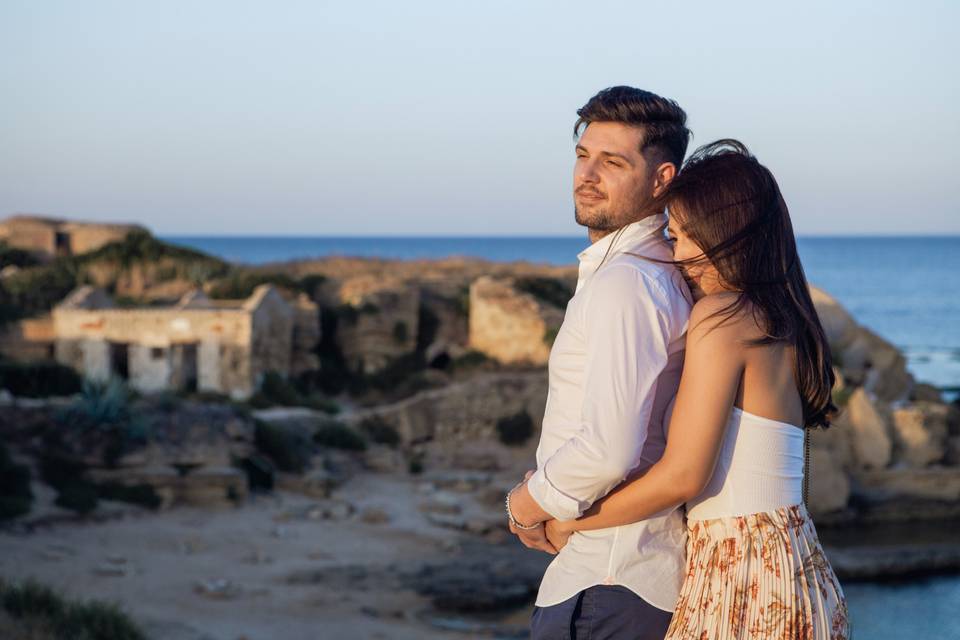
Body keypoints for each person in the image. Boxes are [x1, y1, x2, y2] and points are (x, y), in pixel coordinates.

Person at [544, 140, 851, 639]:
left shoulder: (721, 317)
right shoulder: (778, 319)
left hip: (743, 573)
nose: (678, 254)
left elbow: (682, 475)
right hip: (796, 566)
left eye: (688, 236)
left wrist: (570, 521)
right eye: (671, 234)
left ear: (730, 234)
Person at [504, 86, 694, 639]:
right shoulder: (646, 275)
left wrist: (524, 503)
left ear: (662, 179)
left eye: (613, 162)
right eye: (583, 156)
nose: (588, 174)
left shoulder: (627, 284)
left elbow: (608, 450)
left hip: (610, 579)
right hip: (616, 578)